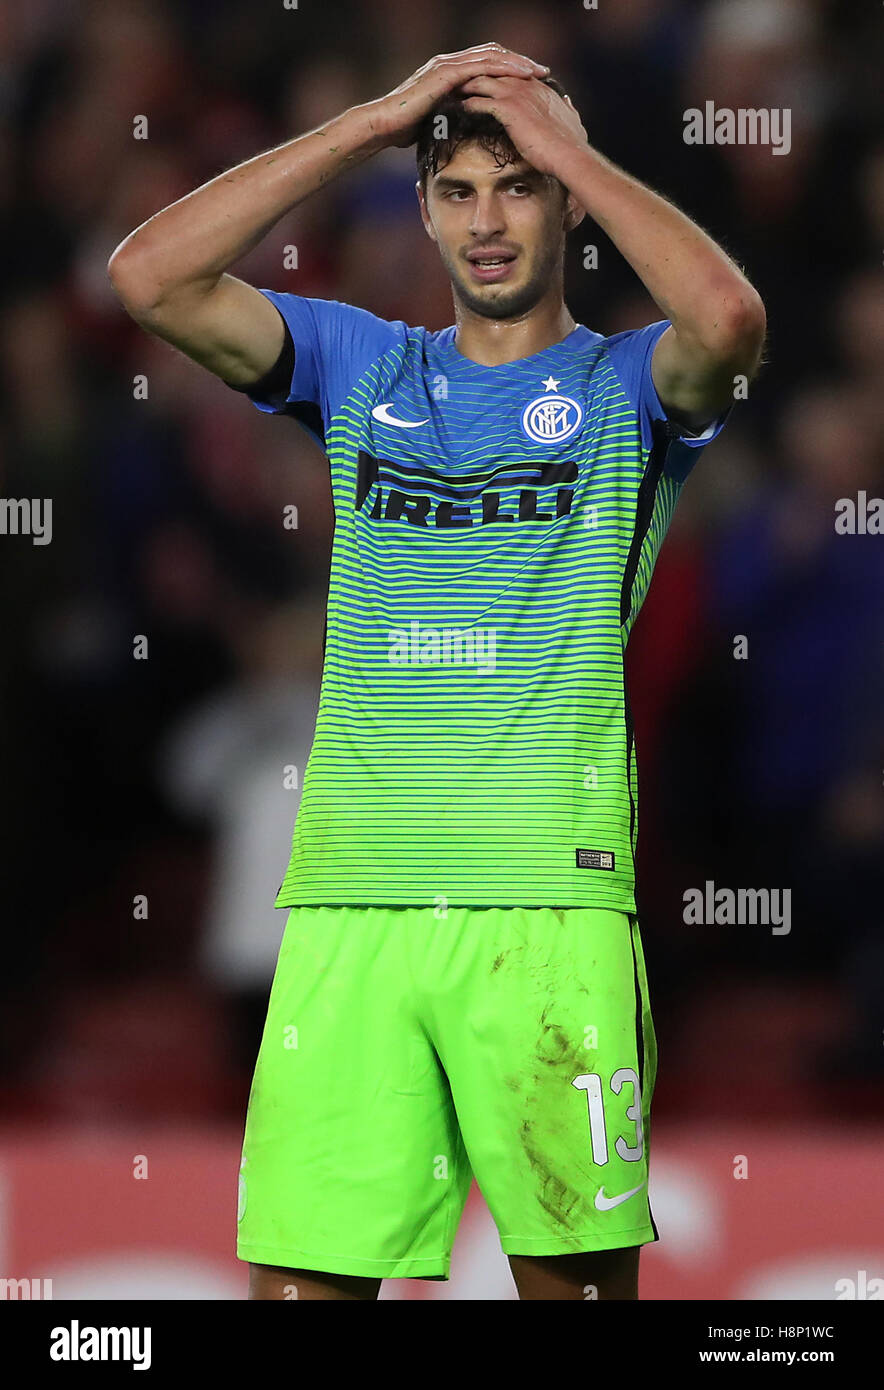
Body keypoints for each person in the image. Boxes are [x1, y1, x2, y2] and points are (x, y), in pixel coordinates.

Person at [108, 43, 765, 1300]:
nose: (486, 221)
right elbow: (150, 274)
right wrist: (366, 123)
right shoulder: (364, 368)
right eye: (456, 190)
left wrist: (566, 148)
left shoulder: (627, 387)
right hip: (350, 906)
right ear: (421, 208)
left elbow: (729, 319)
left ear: (568, 203)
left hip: (546, 913)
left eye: (517, 189)